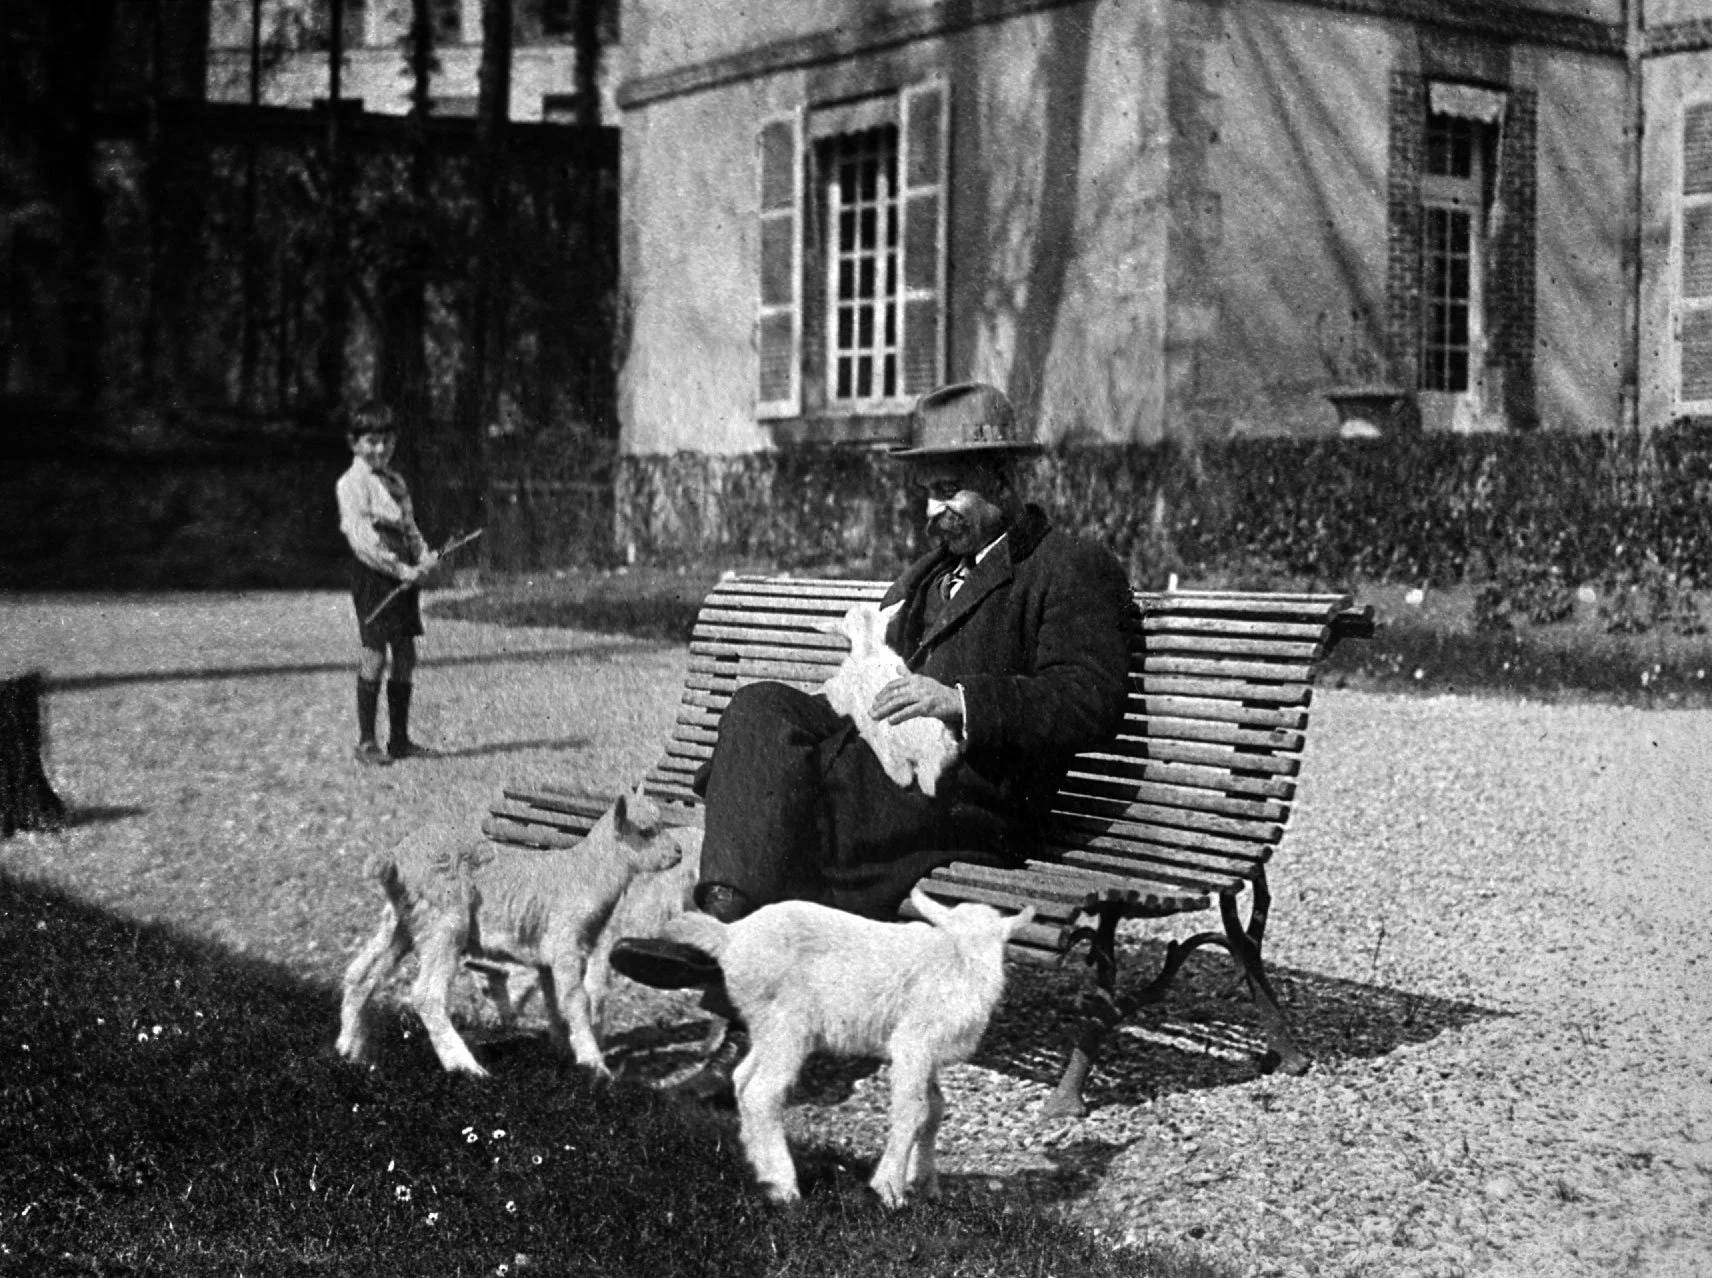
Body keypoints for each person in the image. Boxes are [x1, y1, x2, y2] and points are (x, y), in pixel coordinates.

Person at [610, 381, 1133, 1031]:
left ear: (1001, 481)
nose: (933, 512)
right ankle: (726, 914)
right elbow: (876, 683)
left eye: (949, 491)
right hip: (896, 772)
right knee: (759, 708)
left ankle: (727, 955)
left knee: (810, 790)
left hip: (982, 795)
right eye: (927, 495)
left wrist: (962, 701)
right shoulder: (929, 575)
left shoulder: (1068, 568)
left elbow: (1091, 698)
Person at [335, 401, 439, 766]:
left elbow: (409, 527)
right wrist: (398, 568)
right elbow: (363, 539)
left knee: (406, 652)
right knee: (375, 652)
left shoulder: (396, 482)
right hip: (375, 576)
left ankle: (399, 739)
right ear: (355, 443)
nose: (379, 449)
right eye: (371, 441)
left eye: (386, 441)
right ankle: (366, 742)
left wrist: (423, 556)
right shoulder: (352, 483)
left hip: (403, 575)